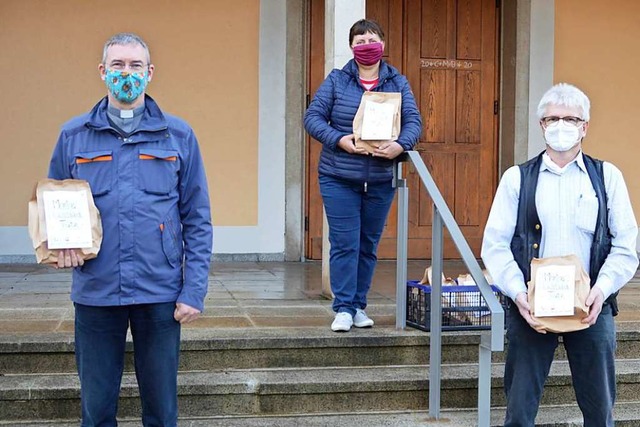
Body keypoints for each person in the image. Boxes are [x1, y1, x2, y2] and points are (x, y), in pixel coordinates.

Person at [48, 33, 213, 426]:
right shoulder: (74, 136)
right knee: (97, 408)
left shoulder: (178, 135)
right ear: (102, 72)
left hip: (159, 289)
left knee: (160, 409)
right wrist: (59, 246)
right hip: (96, 289)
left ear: (150, 72)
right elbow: (54, 206)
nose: (127, 74)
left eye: (136, 66)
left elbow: (197, 217)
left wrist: (194, 290)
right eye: (118, 65)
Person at [481, 83, 638, 426]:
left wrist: (603, 290)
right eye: (553, 118)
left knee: (600, 411)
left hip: (591, 308)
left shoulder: (606, 177)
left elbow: (627, 244)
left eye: (571, 118)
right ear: (542, 125)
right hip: (531, 310)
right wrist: (519, 295)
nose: (561, 125)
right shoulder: (516, 179)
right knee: (520, 411)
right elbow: (494, 244)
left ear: (585, 126)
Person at [304, 19, 422, 332]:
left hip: (381, 178)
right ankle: (343, 308)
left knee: (368, 245)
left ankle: (358, 305)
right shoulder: (336, 81)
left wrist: (399, 146)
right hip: (339, 175)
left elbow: (414, 123)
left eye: (371, 39)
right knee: (345, 243)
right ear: (351, 47)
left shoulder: (398, 82)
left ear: (382, 44)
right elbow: (313, 118)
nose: (365, 45)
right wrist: (339, 140)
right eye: (359, 41)